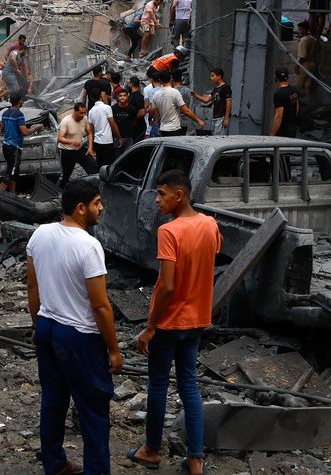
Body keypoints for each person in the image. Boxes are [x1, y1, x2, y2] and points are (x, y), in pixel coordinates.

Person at [26, 179, 121, 475]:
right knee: (93, 408)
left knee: (53, 400)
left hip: (48, 327)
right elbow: (100, 305)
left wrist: (37, 323)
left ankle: (54, 463)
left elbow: (33, 285)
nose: (101, 208)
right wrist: (114, 350)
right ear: (81, 208)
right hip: (78, 336)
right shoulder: (88, 246)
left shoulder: (40, 234)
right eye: (97, 203)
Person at [128, 170, 219, 475]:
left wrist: (150, 327)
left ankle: (152, 450)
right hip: (197, 320)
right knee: (189, 386)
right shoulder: (209, 225)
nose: (156, 200)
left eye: (161, 194)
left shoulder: (169, 231)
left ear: (179, 195)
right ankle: (195, 459)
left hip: (168, 323)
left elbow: (166, 285)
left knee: (157, 384)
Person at [1, 94, 44, 194]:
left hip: (5, 146)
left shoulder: (5, 113)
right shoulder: (19, 114)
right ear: (20, 101)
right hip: (14, 148)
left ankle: (13, 195)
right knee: (11, 173)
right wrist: (36, 127)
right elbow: (25, 132)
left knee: (14, 172)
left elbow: (1, 129)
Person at [57, 102, 98, 188]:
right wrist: (72, 142)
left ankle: (95, 189)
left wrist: (90, 147)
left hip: (79, 150)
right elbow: (60, 138)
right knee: (65, 176)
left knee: (93, 168)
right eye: (81, 113)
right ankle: (60, 192)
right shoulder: (66, 121)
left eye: (85, 113)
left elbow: (89, 133)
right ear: (75, 111)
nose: (83, 115)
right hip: (67, 151)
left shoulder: (84, 119)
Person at [151, 70, 204, 136]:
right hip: (174, 129)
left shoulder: (156, 95)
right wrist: (199, 120)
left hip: (163, 129)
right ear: (171, 79)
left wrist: (159, 127)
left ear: (160, 80)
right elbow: (186, 111)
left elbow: (158, 115)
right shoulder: (175, 92)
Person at [86, 89, 121, 168]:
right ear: (101, 96)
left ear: (91, 98)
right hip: (107, 141)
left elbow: (91, 131)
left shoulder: (91, 111)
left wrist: (91, 145)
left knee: (100, 164)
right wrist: (119, 138)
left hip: (97, 142)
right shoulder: (107, 108)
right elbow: (113, 125)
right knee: (110, 165)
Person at [191, 68, 232, 135]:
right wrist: (195, 95)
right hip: (215, 117)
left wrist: (226, 118)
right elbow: (206, 100)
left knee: (219, 137)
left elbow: (229, 102)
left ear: (219, 76)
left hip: (222, 117)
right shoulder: (216, 89)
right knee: (215, 135)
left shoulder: (225, 87)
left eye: (213, 76)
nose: (211, 78)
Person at [270, 67, 300, 137]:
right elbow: (297, 108)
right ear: (288, 77)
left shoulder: (279, 94)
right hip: (292, 129)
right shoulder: (293, 90)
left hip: (282, 132)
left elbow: (278, 116)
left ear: (275, 77)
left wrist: (272, 134)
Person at [295, 21, 317, 93]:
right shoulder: (312, 39)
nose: (299, 31)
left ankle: (299, 103)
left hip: (304, 65)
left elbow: (302, 56)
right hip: (311, 64)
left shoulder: (303, 40)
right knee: (307, 86)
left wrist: (297, 66)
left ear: (305, 30)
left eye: (300, 29)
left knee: (298, 86)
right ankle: (307, 102)